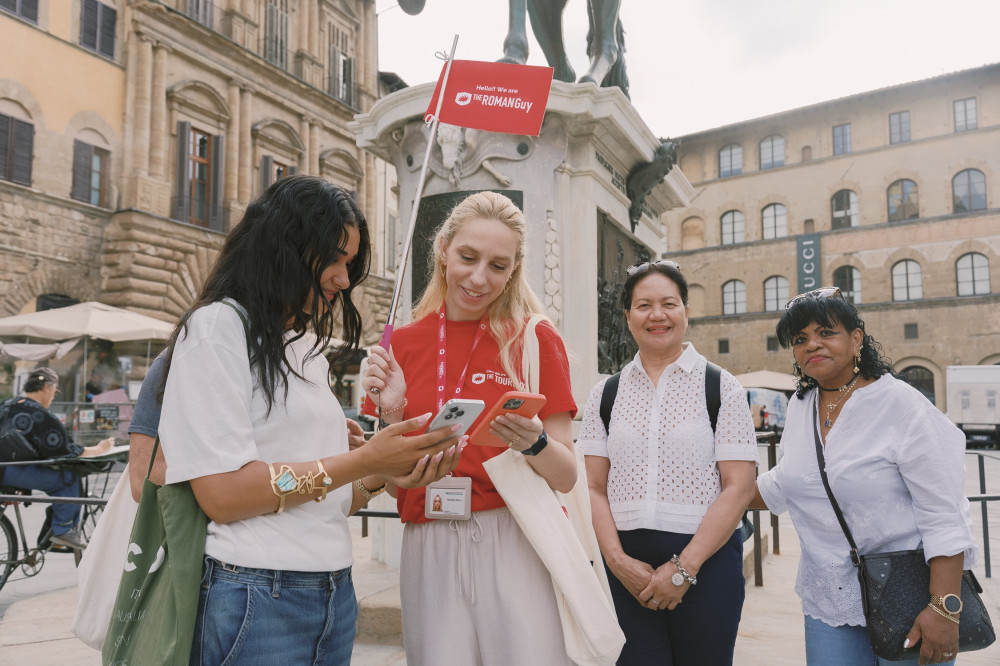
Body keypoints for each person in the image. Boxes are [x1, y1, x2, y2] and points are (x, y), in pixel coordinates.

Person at [156, 175, 465, 665]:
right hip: (255, 591)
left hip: (333, 593)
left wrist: (384, 470)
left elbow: (328, 503)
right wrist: (361, 457)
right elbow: (223, 495)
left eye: (350, 263)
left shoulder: (306, 349)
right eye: (336, 259)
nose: (345, 279)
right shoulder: (218, 329)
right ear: (286, 247)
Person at [361, 190, 580, 664]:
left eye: (498, 266)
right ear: (443, 250)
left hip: (514, 532)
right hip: (428, 537)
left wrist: (535, 442)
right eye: (467, 257)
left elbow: (566, 475)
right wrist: (393, 412)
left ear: (514, 269)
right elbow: (377, 475)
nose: (479, 278)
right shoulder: (400, 344)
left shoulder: (534, 338)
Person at [751, 287, 977, 666]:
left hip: (909, 597)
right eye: (800, 339)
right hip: (830, 598)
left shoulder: (902, 405)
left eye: (826, 332)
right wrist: (714, 491)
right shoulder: (802, 406)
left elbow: (944, 512)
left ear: (856, 339)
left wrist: (944, 607)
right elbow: (786, 481)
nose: (812, 345)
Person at [576, 259, 758, 665]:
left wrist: (683, 569)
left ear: (686, 313)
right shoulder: (605, 393)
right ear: (627, 317)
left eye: (668, 304)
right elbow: (591, 486)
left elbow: (739, 486)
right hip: (626, 567)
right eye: (643, 306)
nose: (657, 315)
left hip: (705, 565)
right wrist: (617, 561)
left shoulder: (721, 386)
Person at [0, 367, 113, 550]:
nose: (53, 396)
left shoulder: (7, 404)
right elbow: (67, 450)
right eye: (54, 391)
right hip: (8, 470)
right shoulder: (39, 414)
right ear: (46, 388)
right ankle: (63, 530)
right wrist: (100, 448)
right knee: (67, 478)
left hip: (5, 467)